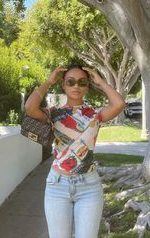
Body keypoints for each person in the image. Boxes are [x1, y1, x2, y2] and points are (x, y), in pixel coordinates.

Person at [24, 63, 126, 238]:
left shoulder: (95, 114)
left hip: (89, 187)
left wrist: (100, 82)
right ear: (63, 85)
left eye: (82, 82)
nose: (76, 86)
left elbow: (119, 104)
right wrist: (48, 82)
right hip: (58, 186)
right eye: (70, 82)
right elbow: (30, 108)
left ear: (87, 86)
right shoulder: (53, 113)